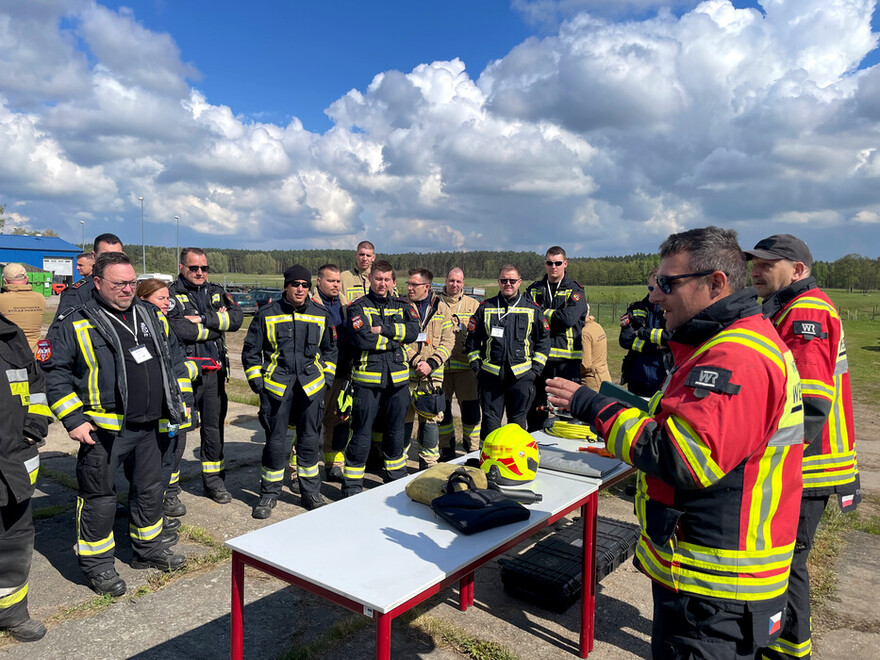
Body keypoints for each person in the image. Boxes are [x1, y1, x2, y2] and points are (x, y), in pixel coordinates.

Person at [546, 226, 804, 659]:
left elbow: (682, 457)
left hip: (715, 586)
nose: (656, 297)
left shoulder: (735, 355)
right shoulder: (726, 342)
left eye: (668, 284)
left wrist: (597, 409)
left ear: (716, 283)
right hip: (708, 574)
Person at [44, 252, 190, 597]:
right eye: (119, 284)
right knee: (100, 498)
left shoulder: (151, 314)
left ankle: (148, 548)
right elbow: (55, 374)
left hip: (152, 424)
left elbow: (174, 358)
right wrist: (73, 419)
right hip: (103, 430)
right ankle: (98, 566)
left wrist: (178, 401)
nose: (128, 289)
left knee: (151, 489)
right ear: (98, 283)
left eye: (132, 283)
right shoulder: (75, 321)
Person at [746, 234, 861, 660]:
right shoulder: (787, 306)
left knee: (786, 564)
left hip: (809, 464)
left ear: (798, 270)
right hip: (807, 462)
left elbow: (808, 403)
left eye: (765, 264)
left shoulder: (806, 309)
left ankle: (789, 652)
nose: (755, 271)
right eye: (753, 264)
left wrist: (764, 455)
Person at [242, 265, 337, 516]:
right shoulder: (267, 313)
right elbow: (251, 352)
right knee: (274, 444)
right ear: (286, 286)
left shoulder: (320, 313)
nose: (300, 289)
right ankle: (268, 495)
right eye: (295, 284)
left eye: (305, 285)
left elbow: (330, 350)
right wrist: (259, 385)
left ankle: (310, 493)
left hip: (310, 388)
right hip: (277, 389)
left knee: (308, 443)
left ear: (310, 287)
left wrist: (326, 379)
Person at [167, 248, 243, 504]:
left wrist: (200, 318)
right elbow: (178, 329)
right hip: (183, 375)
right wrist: (215, 325)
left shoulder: (217, 291)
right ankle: (170, 489)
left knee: (213, 430)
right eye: (193, 268)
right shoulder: (170, 294)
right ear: (181, 268)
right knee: (178, 432)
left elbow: (236, 319)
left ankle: (214, 482)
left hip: (214, 374)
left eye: (204, 268)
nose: (200, 273)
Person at [343, 260, 420, 496]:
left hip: (397, 382)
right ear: (370, 280)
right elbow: (362, 339)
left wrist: (383, 330)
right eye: (378, 278)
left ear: (393, 282)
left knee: (396, 432)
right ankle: (352, 485)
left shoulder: (402, 305)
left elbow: (414, 333)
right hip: (368, 382)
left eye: (387, 279)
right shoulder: (358, 307)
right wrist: (395, 339)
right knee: (361, 431)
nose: (382, 283)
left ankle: (395, 479)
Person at [0, 311, 51, 642]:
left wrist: (35, 423)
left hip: (13, 464)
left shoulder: (8, 333)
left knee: (15, 541)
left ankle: (11, 612)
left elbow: (35, 382)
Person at [137, 278, 199, 525]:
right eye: (161, 298)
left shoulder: (165, 322)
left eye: (168, 298)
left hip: (176, 404)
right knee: (158, 456)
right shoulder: (140, 325)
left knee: (175, 449)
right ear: (144, 299)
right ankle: (154, 504)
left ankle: (169, 495)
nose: (167, 303)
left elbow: (176, 365)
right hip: (156, 406)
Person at [466, 265, 550, 439]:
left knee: (517, 424)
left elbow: (544, 341)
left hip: (521, 376)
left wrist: (535, 371)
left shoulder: (531, 308)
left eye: (512, 281)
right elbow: (472, 340)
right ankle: (488, 462)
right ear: (498, 282)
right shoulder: (485, 307)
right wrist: (476, 367)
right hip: (490, 376)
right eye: (504, 280)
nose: (508, 284)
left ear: (519, 282)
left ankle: (514, 462)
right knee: (490, 424)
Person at [525, 247, 587, 431]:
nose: (554, 266)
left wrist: (541, 313)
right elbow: (526, 316)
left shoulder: (575, 290)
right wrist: (554, 316)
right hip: (539, 360)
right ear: (545, 264)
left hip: (566, 361)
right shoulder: (534, 289)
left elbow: (567, 319)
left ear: (565, 264)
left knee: (566, 412)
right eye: (550, 263)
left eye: (558, 263)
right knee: (535, 410)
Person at [403, 268, 454, 469]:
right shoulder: (401, 306)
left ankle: (428, 464)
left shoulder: (442, 309)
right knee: (403, 420)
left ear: (427, 286)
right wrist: (416, 360)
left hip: (432, 379)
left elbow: (448, 341)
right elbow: (397, 338)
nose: (409, 288)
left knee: (431, 422)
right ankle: (399, 464)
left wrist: (431, 363)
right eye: (408, 284)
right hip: (407, 375)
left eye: (414, 285)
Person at [310, 264, 350, 483]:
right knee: (310, 423)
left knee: (338, 420)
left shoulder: (345, 306)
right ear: (319, 281)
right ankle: (300, 470)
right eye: (330, 281)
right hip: (318, 375)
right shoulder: (310, 305)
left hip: (342, 373)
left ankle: (334, 464)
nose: (335, 285)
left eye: (337, 281)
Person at [437, 267, 481, 458]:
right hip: (441, 369)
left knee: (471, 412)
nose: (454, 285)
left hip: (466, 370)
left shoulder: (474, 305)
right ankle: (446, 449)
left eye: (459, 282)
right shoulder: (435, 303)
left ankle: (472, 449)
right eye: (451, 281)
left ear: (463, 283)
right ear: (446, 280)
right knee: (443, 412)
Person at [618, 270, 673, 397]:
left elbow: (674, 337)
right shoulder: (636, 308)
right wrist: (654, 346)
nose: (654, 293)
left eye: (659, 288)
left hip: (664, 375)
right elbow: (625, 339)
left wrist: (642, 332)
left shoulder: (673, 310)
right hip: (637, 376)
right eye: (650, 288)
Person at [55, 233, 124, 319]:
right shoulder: (76, 293)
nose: (112, 260)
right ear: (94, 256)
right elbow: (61, 328)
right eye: (106, 256)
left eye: (117, 256)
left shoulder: (128, 288)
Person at [0, 263, 45, 354]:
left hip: (11, 353)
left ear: (5, 280)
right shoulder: (39, 298)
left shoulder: (2, 299)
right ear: (27, 278)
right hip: (35, 352)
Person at [579, 304, 611, 391]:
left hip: (592, 382)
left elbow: (585, 364)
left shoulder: (584, 332)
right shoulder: (597, 326)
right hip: (604, 376)